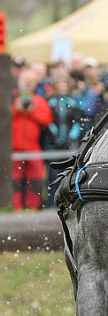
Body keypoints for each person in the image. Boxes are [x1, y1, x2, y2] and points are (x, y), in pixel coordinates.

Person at [11, 68, 53, 210]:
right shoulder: (10, 98)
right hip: (13, 148)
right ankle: (15, 207)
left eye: (31, 81)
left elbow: (47, 120)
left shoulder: (39, 101)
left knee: (35, 179)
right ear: (19, 82)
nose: (28, 84)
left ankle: (33, 207)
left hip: (33, 147)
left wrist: (31, 111)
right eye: (25, 80)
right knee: (14, 180)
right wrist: (16, 109)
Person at [44, 75, 83, 207]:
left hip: (69, 144)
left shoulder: (72, 101)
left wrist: (71, 136)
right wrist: (56, 136)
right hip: (53, 144)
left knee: (68, 173)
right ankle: (51, 204)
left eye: (64, 84)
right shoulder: (50, 101)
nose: (62, 87)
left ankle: (67, 202)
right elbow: (48, 121)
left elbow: (77, 121)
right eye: (60, 84)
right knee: (54, 175)